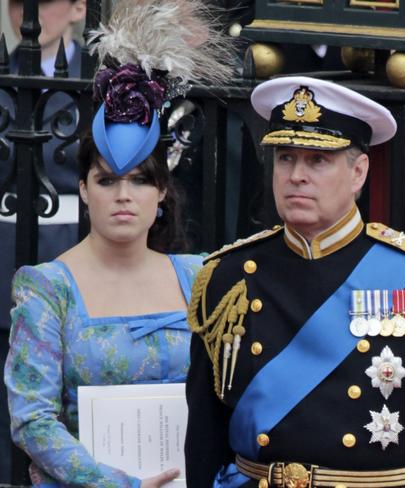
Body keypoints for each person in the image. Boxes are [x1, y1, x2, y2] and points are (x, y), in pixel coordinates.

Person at [185, 76, 405, 487]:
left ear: (358, 172)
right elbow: (204, 443)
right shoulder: (227, 278)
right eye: (285, 158)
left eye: (317, 160)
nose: (296, 175)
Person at [3, 0, 233, 486]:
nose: (124, 196)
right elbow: (33, 420)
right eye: (107, 181)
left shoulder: (200, 276)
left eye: (139, 182)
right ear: (84, 190)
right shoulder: (47, 289)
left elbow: (232, 393)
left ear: (162, 192)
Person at [0, 2, 86, 481]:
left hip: (69, 242)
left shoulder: (96, 75)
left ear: (78, 8)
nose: (27, 14)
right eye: (15, 3)